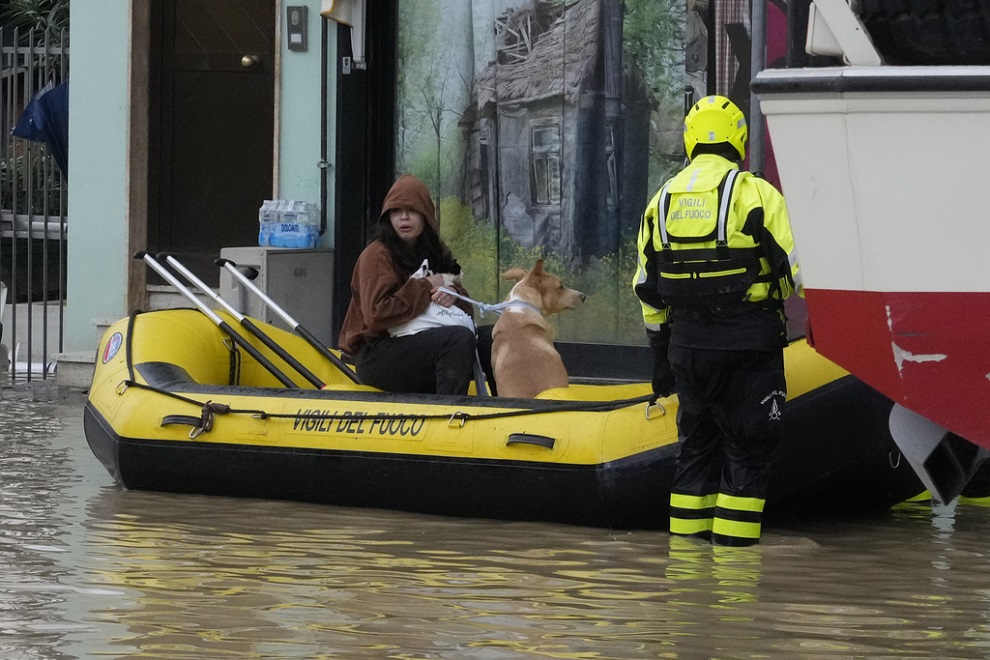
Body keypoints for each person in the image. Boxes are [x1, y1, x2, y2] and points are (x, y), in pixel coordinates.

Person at [632, 95, 802, 546]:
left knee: (694, 454)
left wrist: (659, 358)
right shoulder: (756, 194)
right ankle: (734, 587)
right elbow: (797, 272)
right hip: (749, 347)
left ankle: (686, 577)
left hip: (686, 350)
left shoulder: (660, 203)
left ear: (690, 141)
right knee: (747, 458)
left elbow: (647, 290)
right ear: (739, 141)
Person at [338, 174, 490, 395]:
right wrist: (425, 286)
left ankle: (511, 408)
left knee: (493, 337)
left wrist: (453, 294)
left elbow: (467, 312)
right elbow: (377, 315)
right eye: (397, 211)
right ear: (387, 217)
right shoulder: (377, 254)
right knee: (458, 339)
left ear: (426, 215)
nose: (404, 218)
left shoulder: (436, 250)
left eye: (412, 211)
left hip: (421, 342)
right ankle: (450, 414)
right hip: (378, 354)